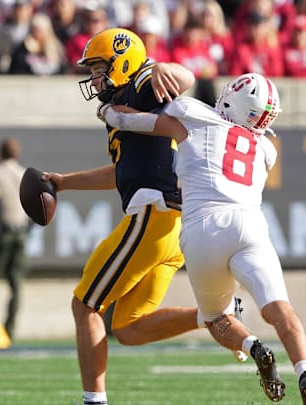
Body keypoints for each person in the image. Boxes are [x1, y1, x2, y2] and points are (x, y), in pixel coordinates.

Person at [98, 72, 306, 405]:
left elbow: (133, 122)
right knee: (279, 308)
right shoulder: (266, 150)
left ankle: (253, 347)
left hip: (203, 228)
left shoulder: (196, 115)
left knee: (217, 317)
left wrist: (105, 111)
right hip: (250, 225)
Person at [44, 28, 242, 405]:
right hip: (171, 226)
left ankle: (94, 402)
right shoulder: (122, 104)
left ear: (123, 63)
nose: (94, 77)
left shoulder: (141, 86)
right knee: (128, 328)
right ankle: (210, 315)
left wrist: (166, 68)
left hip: (154, 215)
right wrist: (63, 183)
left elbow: (184, 79)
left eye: (100, 68)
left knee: (85, 304)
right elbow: (118, 171)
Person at [0, 137, 30, 340]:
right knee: (16, 282)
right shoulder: (24, 174)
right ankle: (9, 327)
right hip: (21, 231)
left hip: (1, 232)